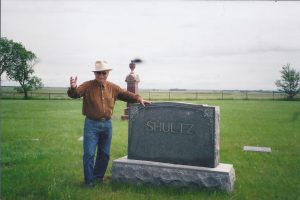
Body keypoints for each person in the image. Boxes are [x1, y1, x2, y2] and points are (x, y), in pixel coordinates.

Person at [67, 60, 151, 187]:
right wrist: (73, 87)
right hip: (91, 125)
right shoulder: (87, 86)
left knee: (104, 154)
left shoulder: (113, 87)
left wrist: (139, 99)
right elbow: (75, 94)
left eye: (104, 73)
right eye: (98, 73)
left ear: (107, 73)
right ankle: (89, 182)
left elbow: (126, 94)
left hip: (107, 125)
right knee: (89, 154)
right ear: (95, 74)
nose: (101, 76)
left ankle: (98, 178)